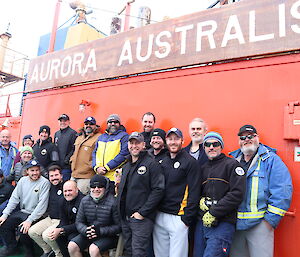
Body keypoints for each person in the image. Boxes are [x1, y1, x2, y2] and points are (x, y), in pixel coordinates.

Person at [229, 125, 293, 257]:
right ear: (239, 141)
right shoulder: (233, 161)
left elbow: (283, 190)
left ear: (257, 138)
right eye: (243, 137)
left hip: (260, 225)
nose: (247, 139)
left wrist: (269, 221)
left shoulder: (271, 160)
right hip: (236, 225)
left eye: (250, 136)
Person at [193, 132, 246, 257]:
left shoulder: (232, 165)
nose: (211, 147)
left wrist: (214, 212)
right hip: (202, 223)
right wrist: (200, 200)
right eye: (208, 144)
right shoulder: (203, 168)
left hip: (223, 223)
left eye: (215, 144)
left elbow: (237, 194)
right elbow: (195, 191)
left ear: (221, 146)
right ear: (204, 147)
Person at [153, 128, 201, 257]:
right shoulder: (162, 161)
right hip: (160, 215)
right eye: (170, 139)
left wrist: (186, 219)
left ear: (182, 141)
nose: (173, 142)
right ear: (166, 141)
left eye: (176, 139)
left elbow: (194, 191)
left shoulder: (190, 162)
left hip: (178, 217)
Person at [117, 132, 165, 257]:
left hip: (141, 219)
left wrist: (142, 213)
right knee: (128, 252)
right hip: (126, 218)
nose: (134, 146)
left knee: (139, 253)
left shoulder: (151, 164)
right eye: (131, 143)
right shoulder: (127, 165)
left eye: (137, 143)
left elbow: (158, 190)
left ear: (144, 144)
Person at [0, 159, 50, 257]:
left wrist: (30, 220)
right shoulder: (23, 181)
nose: (35, 173)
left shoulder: (45, 183)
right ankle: (12, 248)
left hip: (36, 215)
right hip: (22, 211)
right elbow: (14, 199)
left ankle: (29, 252)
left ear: (40, 170)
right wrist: (5, 215)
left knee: (23, 230)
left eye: (37, 170)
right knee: (4, 224)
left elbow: (42, 205)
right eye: (32, 170)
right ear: (27, 171)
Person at [68, 175, 121, 257]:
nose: (96, 189)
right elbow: (79, 222)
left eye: (100, 186)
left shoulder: (113, 202)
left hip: (108, 236)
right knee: (72, 246)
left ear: (105, 188)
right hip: (89, 234)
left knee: (93, 249)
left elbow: (119, 226)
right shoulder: (85, 201)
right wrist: (85, 230)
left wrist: (100, 231)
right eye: (93, 186)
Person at [28, 165, 64, 257]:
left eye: (56, 175)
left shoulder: (66, 187)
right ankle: (48, 251)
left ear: (61, 176)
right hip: (50, 218)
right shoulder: (48, 187)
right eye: (51, 176)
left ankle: (59, 253)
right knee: (32, 231)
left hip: (62, 220)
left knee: (46, 235)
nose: (54, 178)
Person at [93, 114, 129, 181]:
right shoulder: (101, 137)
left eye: (115, 122)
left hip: (114, 177)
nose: (112, 124)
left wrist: (107, 168)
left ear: (119, 124)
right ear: (107, 124)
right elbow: (94, 154)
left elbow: (124, 154)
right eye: (110, 122)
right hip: (100, 176)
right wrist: (97, 168)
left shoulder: (124, 136)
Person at [70, 116, 101, 195]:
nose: (88, 126)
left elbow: (99, 155)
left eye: (91, 124)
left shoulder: (98, 138)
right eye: (86, 124)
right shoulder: (79, 138)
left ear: (95, 126)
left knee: (81, 199)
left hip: (86, 177)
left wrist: (90, 166)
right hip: (74, 174)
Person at [55, 180, 84, 257]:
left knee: (70, 238)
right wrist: (59, 229)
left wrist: (63, 229)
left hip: (82, 229)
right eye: (65, 191)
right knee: (58, 236)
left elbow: (81, 224)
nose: (67, 193)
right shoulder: (62, 200)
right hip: (70, 227)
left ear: (77, 190)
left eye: (70, 190)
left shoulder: (82, 201)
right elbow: (63, 220)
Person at [54, 114, 77, 181]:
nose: (62, 123)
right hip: (57, 166)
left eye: (65, 121)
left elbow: (74, 149)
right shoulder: (56, 134)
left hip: (66, 167)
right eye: (61, 121)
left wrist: (67, 160)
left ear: (69, 122)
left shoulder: (73, 133)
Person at [0, 169, 14, 246]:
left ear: (2, 177)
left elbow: (12, 203)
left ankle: (7, 244)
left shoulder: (9, 188)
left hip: (6, 212)